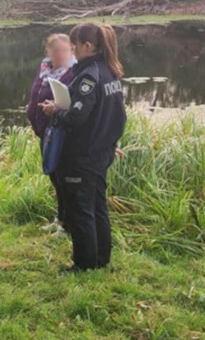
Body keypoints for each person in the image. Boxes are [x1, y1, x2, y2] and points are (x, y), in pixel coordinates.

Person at [40, 23, 126, 273]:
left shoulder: (89, 75)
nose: (73, 51)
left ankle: (84, 264)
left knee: (81, 210)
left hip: (83, 154)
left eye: (75, 46)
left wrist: (55, 110)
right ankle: (101, 258)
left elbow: (77, 117)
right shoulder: (109, 71)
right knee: (97, 206)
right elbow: (119, 116)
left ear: (88, 46)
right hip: (101, 152)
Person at [26, 33, 76, 233]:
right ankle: (60, 219)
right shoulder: (44, 71)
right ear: (47, 51)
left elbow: (71, 106)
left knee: (64, 179)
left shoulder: (72, 73)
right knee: (55, 178)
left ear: (72, 50)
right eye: (56, 50)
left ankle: (68, 224)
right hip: (45, 134)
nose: (60, 54)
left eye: (64, 50)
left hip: (60, 135)